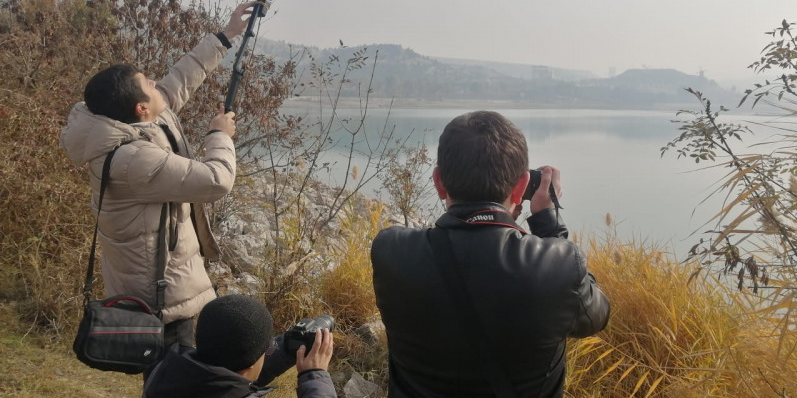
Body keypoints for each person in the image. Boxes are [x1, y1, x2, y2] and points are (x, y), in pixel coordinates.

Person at [61, 2, 256, 366]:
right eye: (148, 84)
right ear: (140, 109)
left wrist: (226, 35)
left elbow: (180, 79)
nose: (156, 84)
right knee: (172, 375)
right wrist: (220, 135)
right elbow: (217, 180)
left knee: (169, 375)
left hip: (160, 276)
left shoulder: (123, 123)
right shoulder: (134, 160)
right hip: (159, 292)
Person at [371, 110, 611, 397]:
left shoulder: (392, 252)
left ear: (439, 182)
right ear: (522, 185)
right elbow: (597, 316)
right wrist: (549, 225)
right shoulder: (558, 266)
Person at [143, 294, 337, 398]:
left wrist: (285, 349)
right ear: (252, 365)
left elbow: (233, 374)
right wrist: (315, 377)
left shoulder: (163, 372)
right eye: (265, 350)